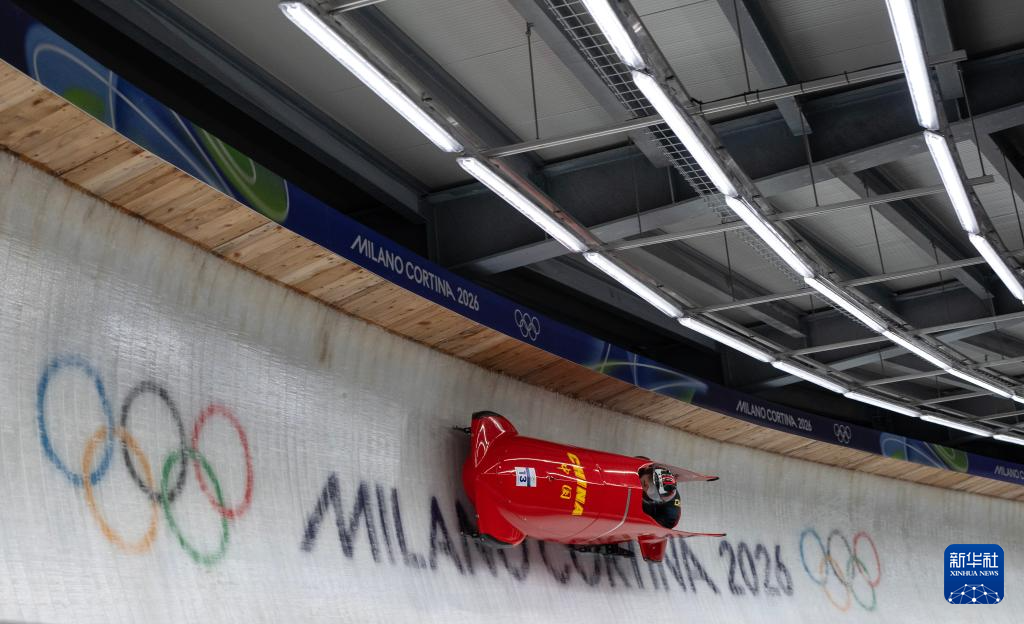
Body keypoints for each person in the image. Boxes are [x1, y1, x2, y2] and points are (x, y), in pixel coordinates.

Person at [638, 465, 681, 529]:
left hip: (661, 517)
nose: (638, 484)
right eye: (643, 482)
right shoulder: (646, 470)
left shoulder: (670, 516)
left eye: (644, 484)